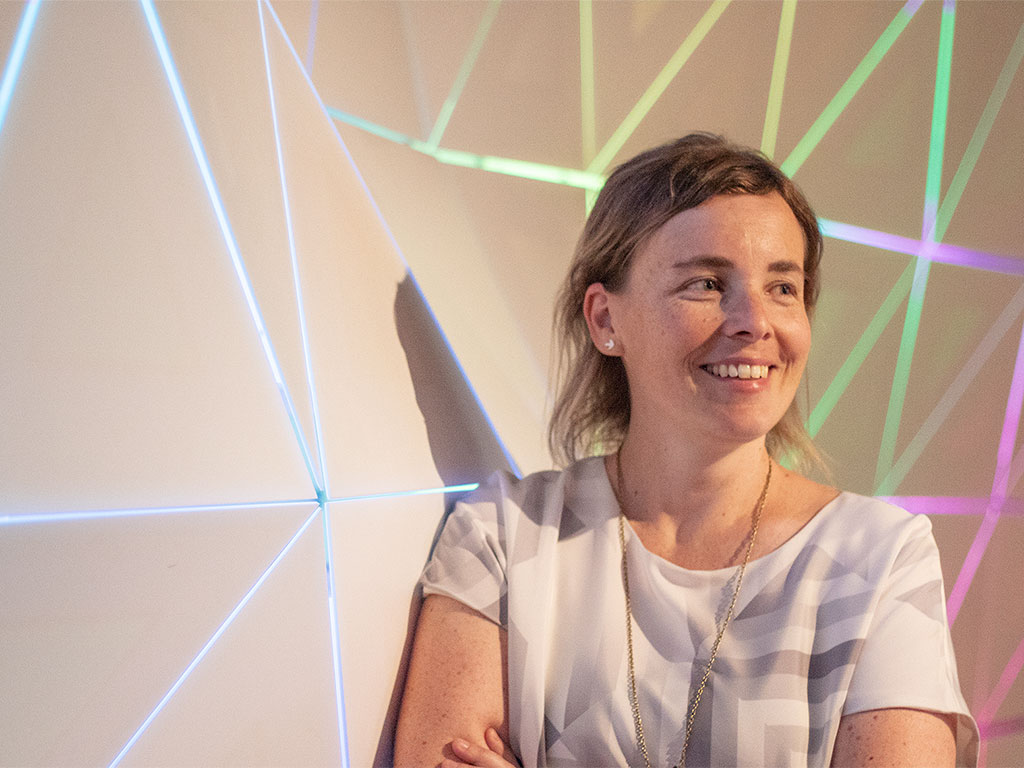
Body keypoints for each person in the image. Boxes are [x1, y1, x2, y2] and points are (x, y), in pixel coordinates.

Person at [394, 133, 978, 767]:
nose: (754, 321)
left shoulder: (882, 558)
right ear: (605, 320)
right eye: (705, 283)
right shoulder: (503, 537)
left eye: (784, 287)